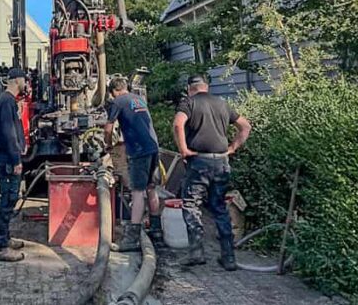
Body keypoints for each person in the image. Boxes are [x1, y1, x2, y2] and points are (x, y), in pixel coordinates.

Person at [172, 74, 252, 271]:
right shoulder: (222, 103)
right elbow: (245, 126)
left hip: (199, 162)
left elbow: (178, 124)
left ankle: (196, 253)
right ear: (206, 87)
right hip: (221, 162)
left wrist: (183, 149)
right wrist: (232, 148)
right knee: (219, 207)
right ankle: (228, 258)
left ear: (189, 88)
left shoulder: (189, 103)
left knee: (191, 204)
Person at [105, 77, 162, 252]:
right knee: (151, 188)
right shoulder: (139, 99)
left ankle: (132, 238)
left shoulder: (118, 101)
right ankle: (156, 231)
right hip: (153, 147)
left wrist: (108, 144)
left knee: (137, 192)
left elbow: (108, 128)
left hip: (139, 150)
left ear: (113, 91)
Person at [0, 67, 28, 262]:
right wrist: (15, 159)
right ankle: (1, 246)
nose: (26, 83)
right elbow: (8, 133)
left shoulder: (9, 101)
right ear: (17, 80)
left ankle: (6, 238)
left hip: (8, 156)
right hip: (6, 159)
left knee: (11, 199)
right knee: (8, 199)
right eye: (24, 80)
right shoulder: (6, 102)